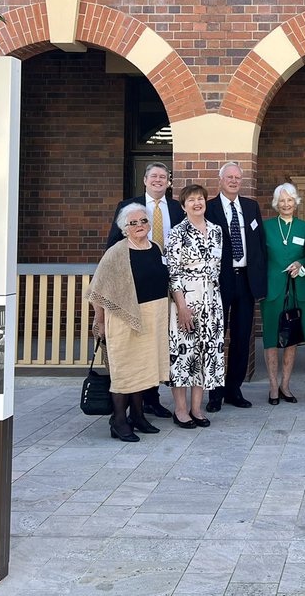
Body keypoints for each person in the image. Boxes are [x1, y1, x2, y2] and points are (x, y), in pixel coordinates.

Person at [104, 161, 184, 420]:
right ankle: (137, 406)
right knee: (135, 349)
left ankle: (151, 399)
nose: (159, 180)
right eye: (154, 176)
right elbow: (113, 248)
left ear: (168, 182)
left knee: (156, 344)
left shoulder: (175, 208)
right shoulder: (129, 207)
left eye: (163, 177)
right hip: (134, 292)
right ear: (145, 180)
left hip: (162, 288)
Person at [89, 203, 170, 441]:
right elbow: (98, 290)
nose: (139, 226)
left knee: (144, 369)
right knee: (125, 370)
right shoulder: (116, 252)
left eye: (143, 221)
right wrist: (100, 321)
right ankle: (119, 421)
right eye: (132, 223)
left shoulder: (155, 248)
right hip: (124, 318)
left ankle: (137, 415)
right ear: (124, 227)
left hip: (153, 316)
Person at [203, 162, 267, 411]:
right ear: (220, 180)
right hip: (220, 281)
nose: (233, 181)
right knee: (217, 337)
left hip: (246, 281)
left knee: (241, 337)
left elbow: (259, 247)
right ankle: (214, 393)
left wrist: (259, 283)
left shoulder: (251, 207)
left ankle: (234, 390)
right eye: (229, 177)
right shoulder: (209, 208)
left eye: (237, 178)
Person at [166, 184, 225, 428]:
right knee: (184, 355)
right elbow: (173, 272)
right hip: (186, 302)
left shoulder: (216, 231)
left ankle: (196, 408)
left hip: (212, 301)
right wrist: (181, 306)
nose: (197, 203)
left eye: (200, 199)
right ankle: (180, 410)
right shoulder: (177, 233)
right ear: (183, 206)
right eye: (191, 200)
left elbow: (217, 268)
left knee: (204, 354)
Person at [260, 182, 305, 404]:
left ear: (295, 202)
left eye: (289, 200)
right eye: (281, 201)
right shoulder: (267, 227)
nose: (286, 204)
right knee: (271, 339)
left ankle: (286, 385)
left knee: (291, 338)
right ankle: (273, 387)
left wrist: (300, 264)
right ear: (276, 204)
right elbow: (259, 257)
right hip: (272, 290)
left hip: (297, 289)